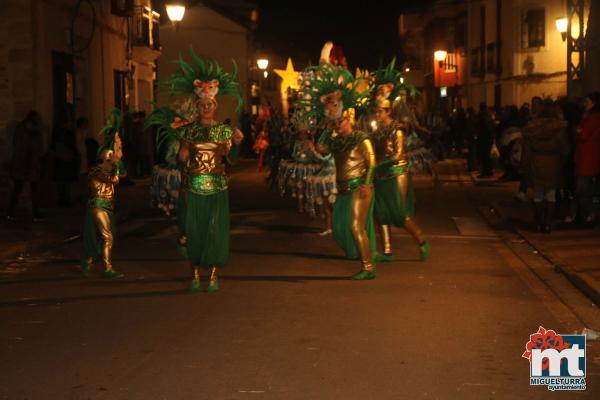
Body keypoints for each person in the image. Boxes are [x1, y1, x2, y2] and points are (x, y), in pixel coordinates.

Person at [147, 47, 244, 293]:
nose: (206, 107)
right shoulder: (188, 130)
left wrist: (236, 144)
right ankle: (194, 275)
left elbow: (229, 158)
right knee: (193, 231)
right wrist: (179, 149)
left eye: (209, 103)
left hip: (217, 188)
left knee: (213, 231)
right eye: (201, 103)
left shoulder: (223, 130)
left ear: (215, 104)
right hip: (192, 187)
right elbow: (180, 158)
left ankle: (212, 275)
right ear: (196, 105)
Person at [308, 62, 378, 280]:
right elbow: (321, 149)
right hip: (345, 189)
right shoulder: (336, 142)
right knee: (340, 226)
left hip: (360, 188)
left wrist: (367, 183)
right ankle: (361, 255)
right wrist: (328, 131)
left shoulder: (361, 138)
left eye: (341, 122)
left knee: (357, 227)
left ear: (350, 118)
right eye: (336, 123)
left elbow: (372, 162)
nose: (339, 125)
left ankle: (367, 268)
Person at [369, 60, 430, 261]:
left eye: (380, 112)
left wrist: (380, 165)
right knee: (380, 211)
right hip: (380, 174)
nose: (377, 115)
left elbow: (397, 155)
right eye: (375, 111)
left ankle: (421, 240)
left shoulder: (397, 131)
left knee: (398, 212)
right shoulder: (377, 131)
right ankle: (387, 251)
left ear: (388, 111)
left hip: (396, 173)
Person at [81, 109, 127, 278]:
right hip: (98, 206)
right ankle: (107, 268)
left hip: (107, 206)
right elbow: (114, 180)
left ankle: (87, 261)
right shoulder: (96, 172)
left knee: (100, 237)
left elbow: (123, 174)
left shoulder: (108, 169)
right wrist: (115, 163)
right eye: (111, 159)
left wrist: (118, 155)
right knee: (107, 237)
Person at [521, 99, 568, 233]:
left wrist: (524, 165)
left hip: (536, 162)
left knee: (537, 194)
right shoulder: (558, 129)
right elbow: (565, 149)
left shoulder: (532, 129)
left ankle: (538, 222)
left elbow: (527, 149)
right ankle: (547, 223)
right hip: (553, 163)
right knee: (551, 194)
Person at [565, 92, 600, 225]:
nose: (585, 104)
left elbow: (582, 133)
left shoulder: (594, 118)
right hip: (585, 155)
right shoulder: (589, 117)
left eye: (587, 101)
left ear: (594, 103)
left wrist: (578, 131)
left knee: (581, 188)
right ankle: (586, 213)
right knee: (583, 189)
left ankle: (574, 213)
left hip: (588, 156)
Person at [6, 111, 44, 221]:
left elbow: (38, 147)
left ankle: (35, 213)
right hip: (23, 164)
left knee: (34, 190)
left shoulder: (34, 132)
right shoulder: (22, 131)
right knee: (18, 189)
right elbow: (21, 147)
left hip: (30, 164)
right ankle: (10, 212)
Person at [52, 112, 80, 206]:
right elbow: (72, 146)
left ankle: (61, 199)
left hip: (59, 159)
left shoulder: (55, 132)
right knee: (67, 180)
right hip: (67, 159)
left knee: (61, 180)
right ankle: (66, 199)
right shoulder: (68, 133)